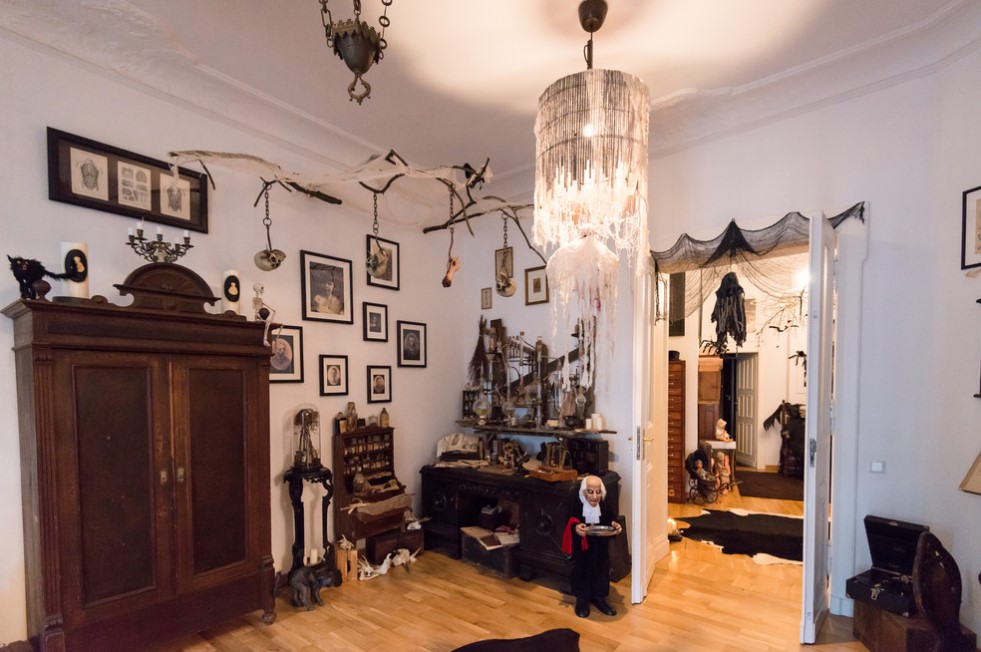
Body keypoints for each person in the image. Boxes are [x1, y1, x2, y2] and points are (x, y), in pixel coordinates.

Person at [562, 475, 622, 619]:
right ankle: (582, 599)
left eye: (598, 492)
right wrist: (576, 527)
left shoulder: (605, 503)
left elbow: (610, 518)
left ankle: (599, 597)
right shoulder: (576, 503)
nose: (595, 496)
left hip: (600, 545)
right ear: (584, 492)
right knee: (582, 570)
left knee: (601, 569)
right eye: (590, 492)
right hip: (583, 546)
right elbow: (570, 521)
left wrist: (615, 524)